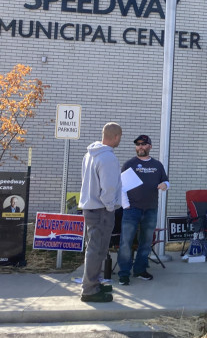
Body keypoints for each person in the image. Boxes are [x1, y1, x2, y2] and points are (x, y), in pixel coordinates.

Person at [78, 122, 123, 303]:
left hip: (90, 207)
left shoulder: (89, 154)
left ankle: (93, 283)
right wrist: (110, 206)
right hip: (101, 210)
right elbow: (109, 188)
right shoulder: (108, 158)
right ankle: (89, 290)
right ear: (117, 137)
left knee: (94, 249)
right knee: (97, 250)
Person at [117, 135, 169, 286]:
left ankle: (140, 270)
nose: (140, 146)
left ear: (150, 147)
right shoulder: (129, 164)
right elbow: (120, 187)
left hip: (151, 209)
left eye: (143, 144)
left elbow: (165, 180)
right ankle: (124, 273)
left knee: (146, 242)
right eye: (138, 144)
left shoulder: (157, 165)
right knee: (126, 242)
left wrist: (165, 185)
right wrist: (126, 205)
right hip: (131, 210)